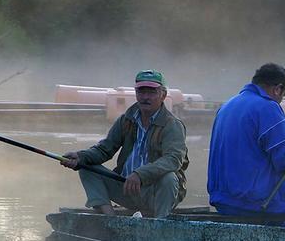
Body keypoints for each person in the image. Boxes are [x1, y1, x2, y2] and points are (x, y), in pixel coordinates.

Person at [61, 69, 189, 217]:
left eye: (152, 92)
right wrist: (80, 156)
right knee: (85, 167)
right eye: (141, 91)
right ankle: (110, 217)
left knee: (169, 178)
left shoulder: (172, 125)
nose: (145, 97)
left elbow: (173, 160)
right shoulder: (126, 119)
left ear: (163, 95)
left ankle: (159, 224)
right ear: (136, 93)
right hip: (127, 189)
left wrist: (140, 174)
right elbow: (104, 150)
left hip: (155, 193)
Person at [207, 63, 285, 228]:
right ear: (277, 89)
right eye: (284, 95)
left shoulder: (227, 106)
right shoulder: (268, 107)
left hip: (224, 201)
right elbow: (284, 158)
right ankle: (284, 234)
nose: (281, 100)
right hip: (254, 203)